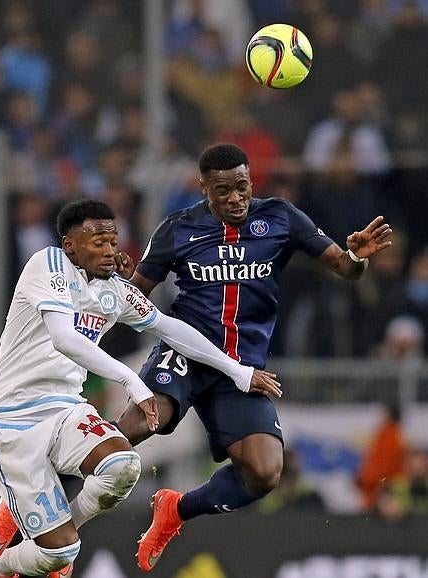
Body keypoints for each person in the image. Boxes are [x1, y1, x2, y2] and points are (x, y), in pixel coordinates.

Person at [114, 143, 394, 572]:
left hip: (242, 372)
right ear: (203, 188)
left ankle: (176, 510)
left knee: (264, 473)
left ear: (251, 182)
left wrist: (356, 256)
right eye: (222, 189)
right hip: (187, 354)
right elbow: (136, 296)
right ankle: (56, 490)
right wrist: (113, 285)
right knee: (144, 421)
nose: (234, 198)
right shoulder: (177, 229)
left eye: (241, 186)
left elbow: (343, 266)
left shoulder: (279, 217)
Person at [0, 198, 281, 578]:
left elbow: (171, 329)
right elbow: (64, 339)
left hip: (66, 410)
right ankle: (4, 561)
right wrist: (133, 382)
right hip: (15, 421)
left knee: (123, 466)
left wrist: (236, 370)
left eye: (113, 241)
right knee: (59, 556)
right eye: (97, 242)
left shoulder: (113, 291)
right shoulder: (48, 264)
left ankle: (37, 541)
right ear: (69, 244)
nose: (109, 251)